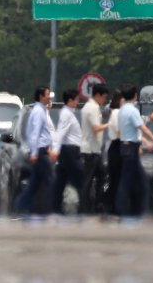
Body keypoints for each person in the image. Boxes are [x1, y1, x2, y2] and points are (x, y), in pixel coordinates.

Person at [115, 84, 153, 217]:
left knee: (135, 180)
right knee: (131, 181)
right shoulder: (132, 111)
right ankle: (130, 210)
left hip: (126, 146)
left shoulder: (122, 110)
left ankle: (134, 208)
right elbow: (143, 128)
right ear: (135, 95)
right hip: (131, 148)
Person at [15, 86, 54, 215]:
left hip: (42, 151)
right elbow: (34, 133)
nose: (50, 97)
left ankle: (21, 206)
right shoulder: (38, 112)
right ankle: (51, 209)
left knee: (34, 184)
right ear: (41, 96)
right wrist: (35, 153)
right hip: (40, 152)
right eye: (48, 94)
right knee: (50, 181)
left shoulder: (40, 110)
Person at [52, 89, 84, 215]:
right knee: (80, 180)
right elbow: (61, 133)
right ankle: (84, 209)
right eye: (76, 100)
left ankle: (55, 209)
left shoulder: (68, 113)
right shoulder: (66, 114)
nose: (77, 102)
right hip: (70, 152)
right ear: (70, 100)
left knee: (60, 182)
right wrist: (55, 150)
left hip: (68, 151)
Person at [81, 84, 110, 214]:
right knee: (87, 181)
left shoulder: (91, 106)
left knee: (102, 175)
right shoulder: (92, 108)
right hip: (90, 151)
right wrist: (110, 124)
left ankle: (97, 204)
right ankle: (85, 208)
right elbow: (96, 128)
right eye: (104, 97)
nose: (104, 100)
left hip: (95, 150)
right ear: (98, 95)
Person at [104, 89, 124, 215]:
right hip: (116, 146)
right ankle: (112, 206)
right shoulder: (116, 113)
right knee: (116, 179)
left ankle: (114, 205)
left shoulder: (117, 112)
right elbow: (118, 131)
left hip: (117, 147)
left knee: (117, 178)